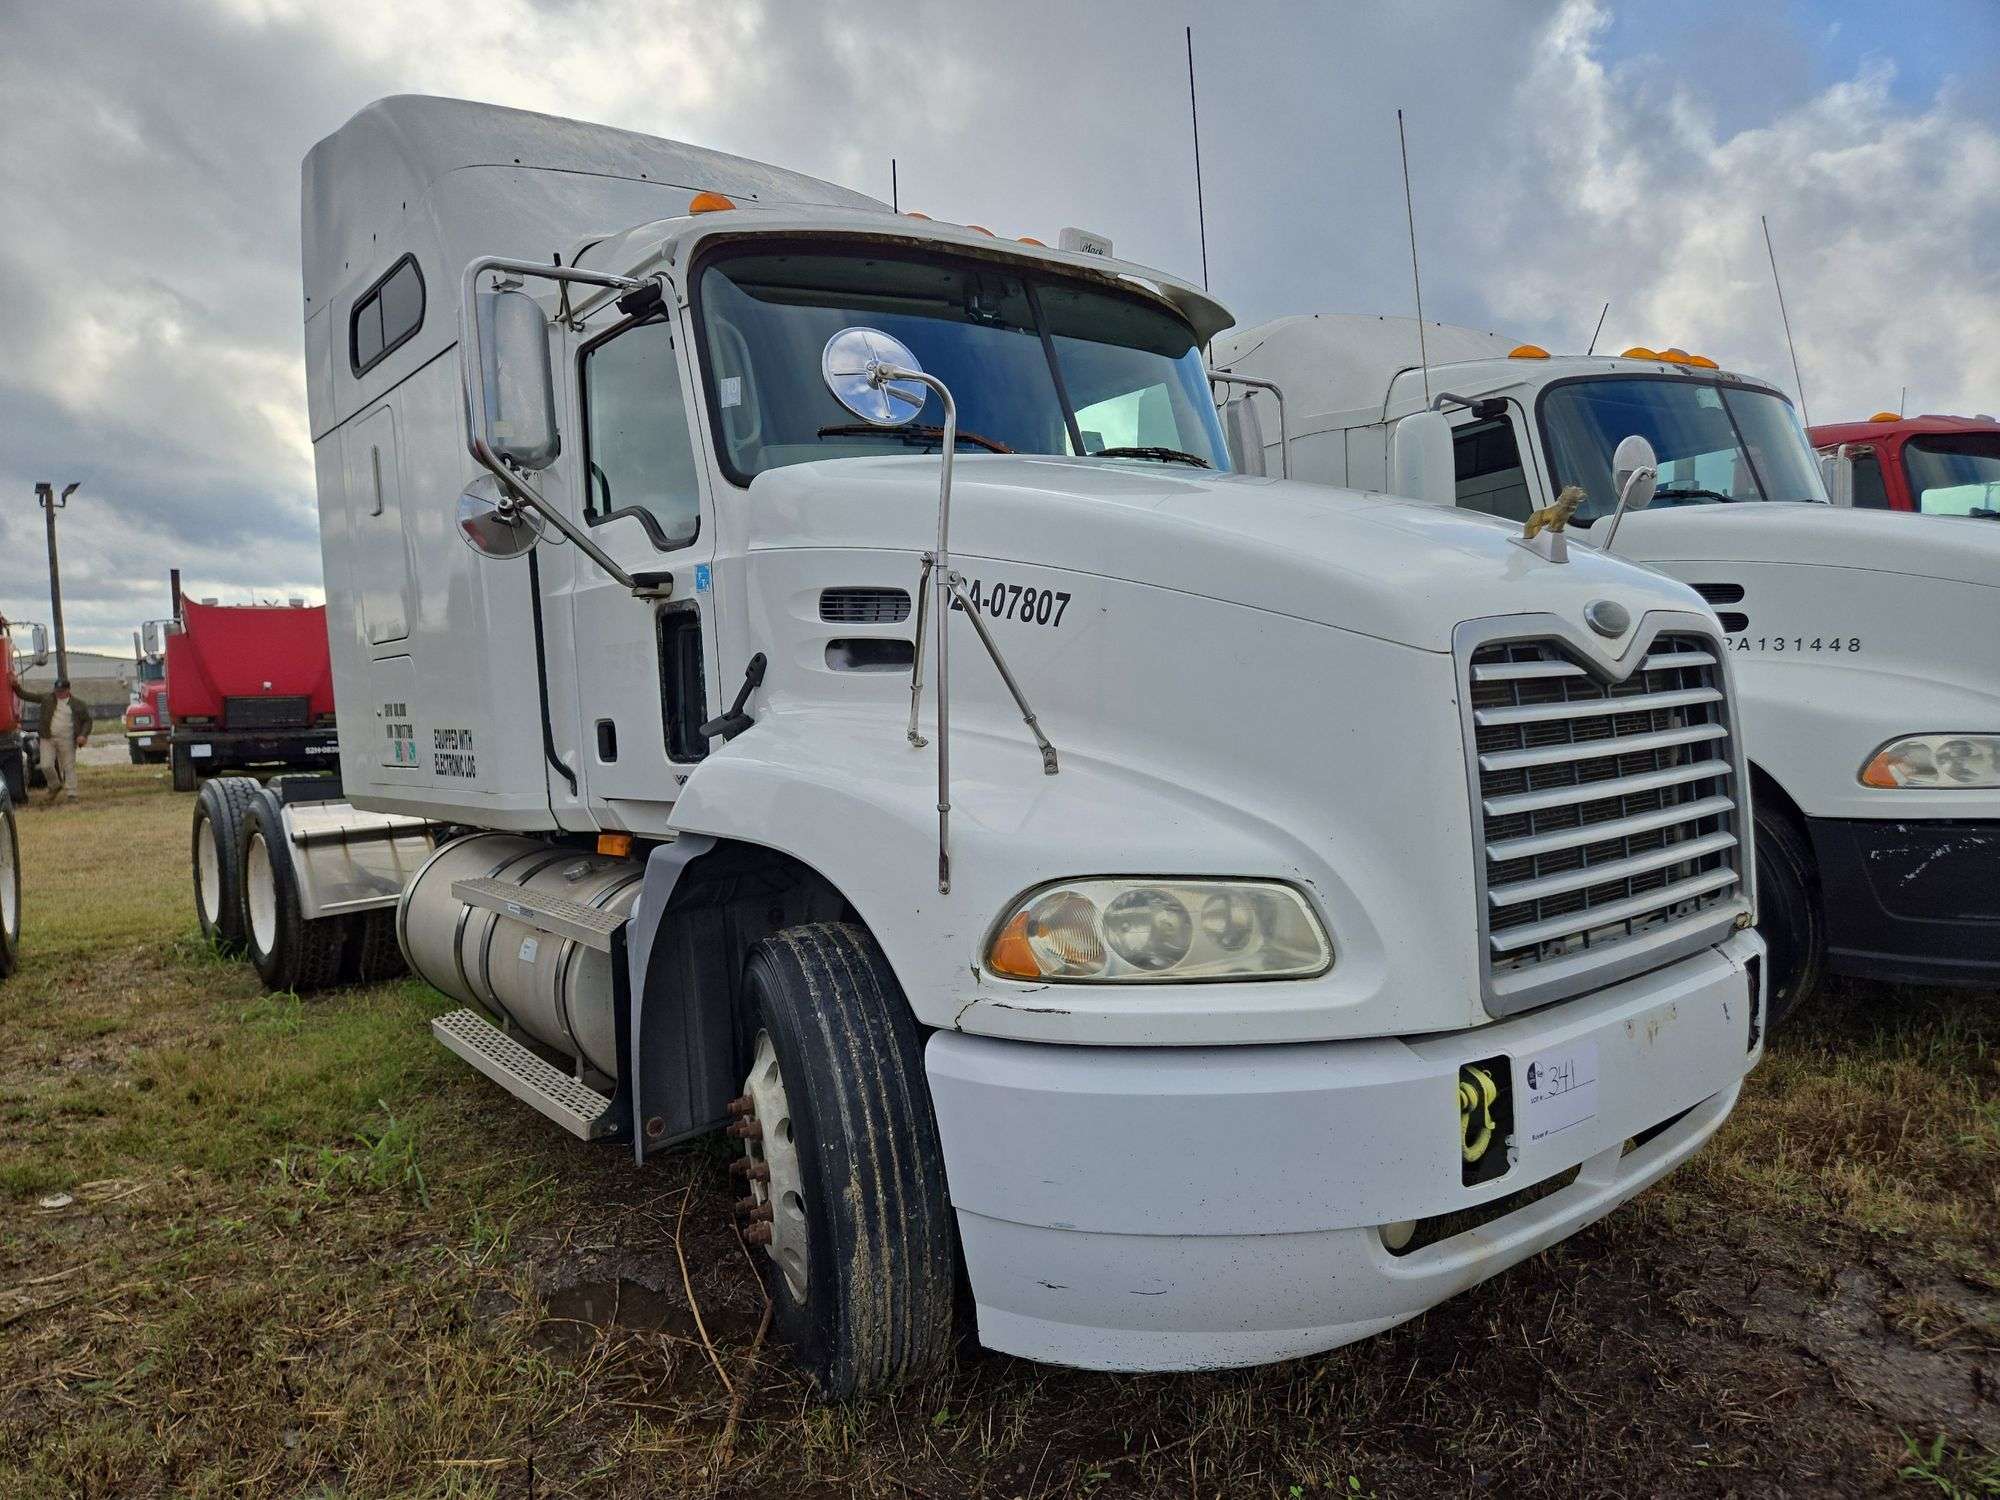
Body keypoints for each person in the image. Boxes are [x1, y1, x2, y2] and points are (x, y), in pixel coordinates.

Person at [11, 677, 91, 805]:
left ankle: (72, 794)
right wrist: (15, 686)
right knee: (46, 765)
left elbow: (87, 721)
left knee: (69, 767)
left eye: (61, 691)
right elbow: (26, 696)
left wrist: (83, 735)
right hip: (48, 737)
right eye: (57, 690)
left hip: (68, 739)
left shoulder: (78, 704)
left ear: (68, 690)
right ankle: (54, 785)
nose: (58, 693)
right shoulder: (47, 698)